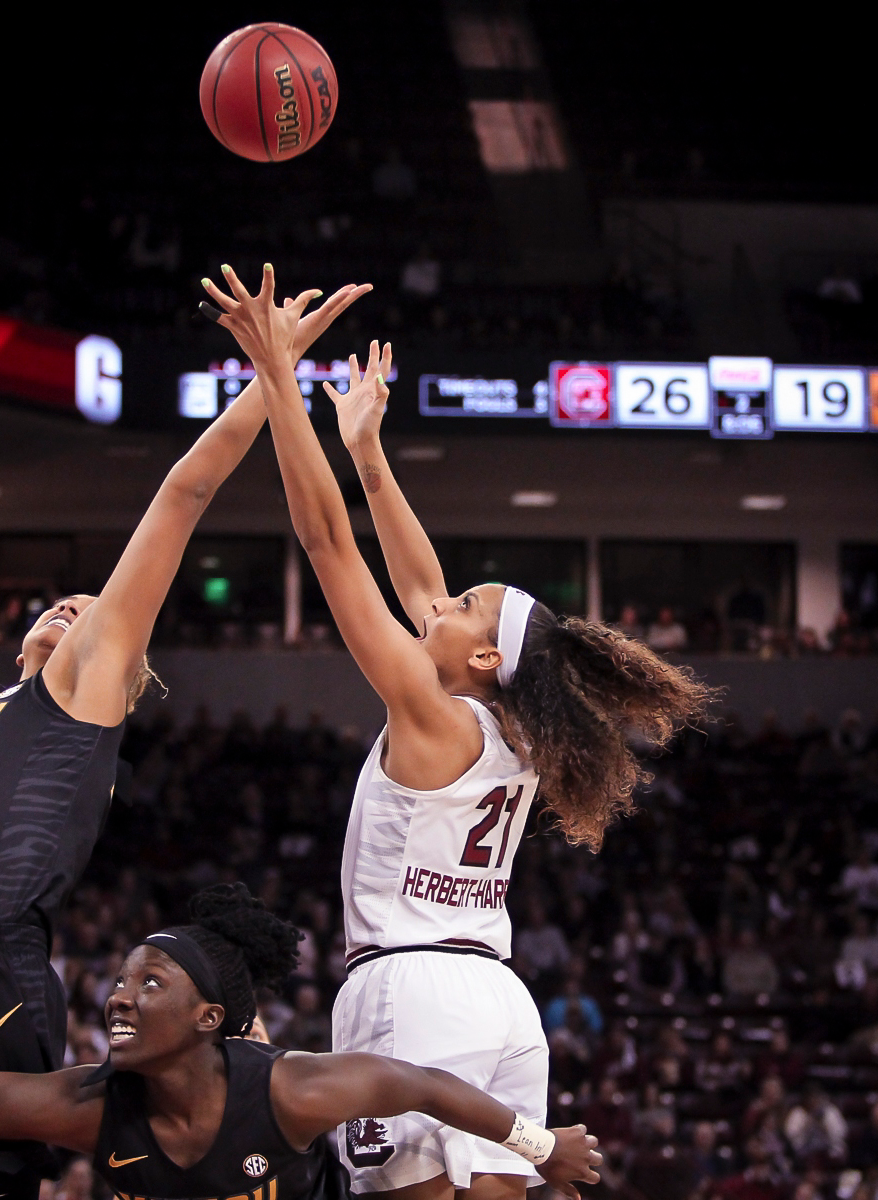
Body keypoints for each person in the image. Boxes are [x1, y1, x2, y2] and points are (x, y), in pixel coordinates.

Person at [0, 282, 373, 1200]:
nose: (75, 610)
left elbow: (182, 493)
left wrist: (272, 369)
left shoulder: (82, 694)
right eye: (64, 604)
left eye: (92, 612)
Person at [202, 265, 713, 1200]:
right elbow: (421, 588)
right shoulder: (513, 731)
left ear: (483, 661)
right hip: (497, 1003)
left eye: (466, 607)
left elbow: (326, 544)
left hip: (412, 1000)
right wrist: (366, 451)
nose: (441, 603)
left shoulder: (433, 714)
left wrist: (276, 373)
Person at [0, 885, 601, 1200]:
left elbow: (425, 1087)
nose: (117, 995)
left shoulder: (292, 1090)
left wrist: (542, 1148)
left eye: (148, 984)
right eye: (120, 981)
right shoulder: (86, 1104)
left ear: (209, 1017)